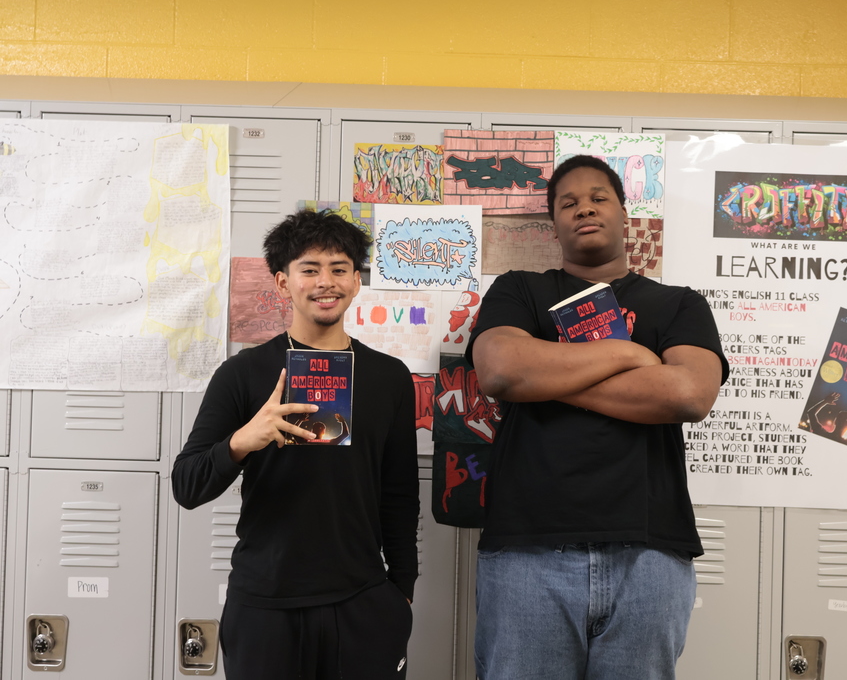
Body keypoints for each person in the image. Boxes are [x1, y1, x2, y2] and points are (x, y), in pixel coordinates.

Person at [467, 155, 730, 680]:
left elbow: (687, 394)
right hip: (528, 553)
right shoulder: (520, 289)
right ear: (554, 225)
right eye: (568, 203)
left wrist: (545, 375)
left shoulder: (678, 304)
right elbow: (500, 370)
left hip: (650, 555)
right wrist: (630, 355)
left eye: (598, 197)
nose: (583, 208)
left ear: (625, 213)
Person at [172, 209, 418, 680]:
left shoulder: (389, 377)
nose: (326, 282)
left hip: (363, 602)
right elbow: (187, 484)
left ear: (356, 281)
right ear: (283, 283)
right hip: (266, 604)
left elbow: (400, 493)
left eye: (339, 268)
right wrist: (245, 439)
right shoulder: (242, 374)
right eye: (310, 269)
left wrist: (401, 592)